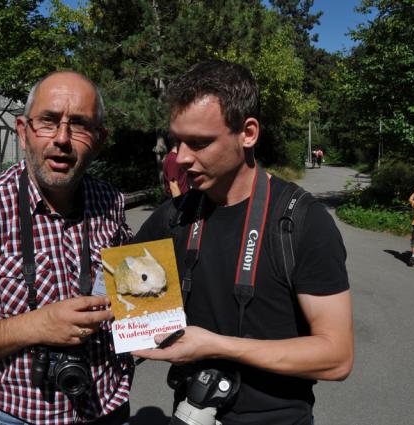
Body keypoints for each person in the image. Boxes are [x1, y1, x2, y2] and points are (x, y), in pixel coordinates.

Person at [132, 60, 354, 424]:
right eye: (177, 141)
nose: (181, 158)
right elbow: (130, 311)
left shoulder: (302, 222)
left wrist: (217, 346)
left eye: (200, 142)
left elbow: (337, 356)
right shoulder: (172, 216)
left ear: (247, 133)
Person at [0, 71, 133, 424]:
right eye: (48, 122)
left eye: (79, 125)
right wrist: (36, 326)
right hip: (21, 417)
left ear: (99, 139)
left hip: (109, 407)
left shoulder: (111, 201)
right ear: (23, 131)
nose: (62, 139)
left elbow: (128, 292)